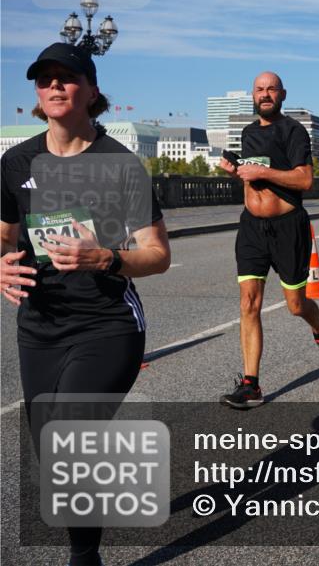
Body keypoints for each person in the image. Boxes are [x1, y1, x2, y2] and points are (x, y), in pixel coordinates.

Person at [1, 43, 171, 566]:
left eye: (66, 78)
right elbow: (5, 238)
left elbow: (158, 254)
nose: (54, 87)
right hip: (41, 325)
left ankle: (84, 556)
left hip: (107, 323)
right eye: (44, 79)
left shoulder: (120, 166)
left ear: (92, 91)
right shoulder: (17, 162)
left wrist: (105, 257)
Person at [218, 71, 319, 409]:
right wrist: (238, 172)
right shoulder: (247, 132)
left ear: (282, 94)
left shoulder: (293, 131)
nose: (265, 94)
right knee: (248, 303)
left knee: (296, 305)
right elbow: (252, 175)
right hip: (252, 229)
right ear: (252, 95)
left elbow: (305, 180)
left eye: (271, 89)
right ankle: (251, 385)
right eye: (259, 89)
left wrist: (262, 173)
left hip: (288, 227)